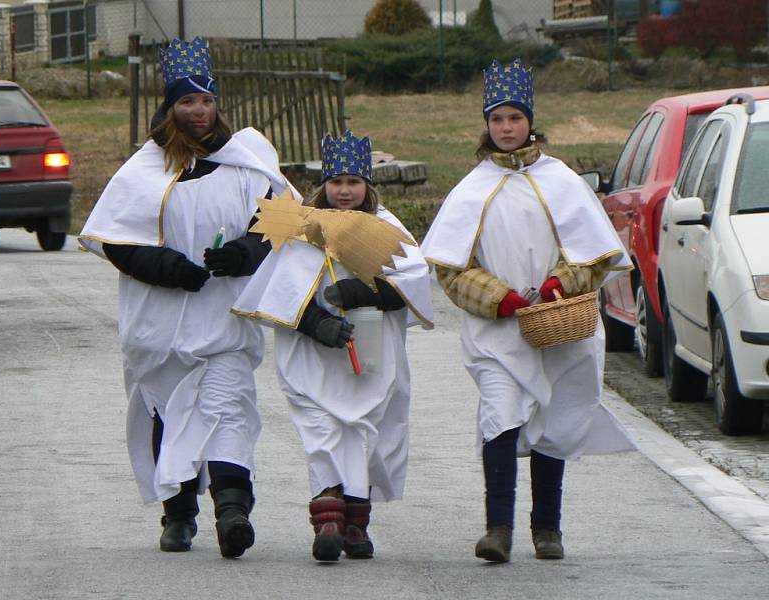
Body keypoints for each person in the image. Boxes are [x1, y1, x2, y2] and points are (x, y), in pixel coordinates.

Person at [79, 36, 294, 558]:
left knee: (227, 409)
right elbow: (114, 241)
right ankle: (177, 513)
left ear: (217, 104)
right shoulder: (145, 169)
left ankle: (233, 511)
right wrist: (169, 268)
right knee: (170, 413)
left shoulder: (247, 161)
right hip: (160, 325)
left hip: (223, 321)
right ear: (169, 107)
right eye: (186, 101)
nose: (198, 112)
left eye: (206, 100)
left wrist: (245, 252)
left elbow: (285, 216)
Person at [421, 58, 635, 563]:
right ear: (487, 124)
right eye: (497, 119)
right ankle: (498, 528)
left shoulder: (560, 180)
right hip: (498, 332)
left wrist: (563, 281)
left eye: (515, 118)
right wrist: (501, 298)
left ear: (529, 121)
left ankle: (548, 529)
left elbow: (594, 254)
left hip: (560, 326)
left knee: (553, 417)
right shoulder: (471, 189)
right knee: (500, 415)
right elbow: (453, 270)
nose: (506, 128)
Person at [232, 130, 434, 562]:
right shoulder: (302, 225)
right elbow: (277, 288)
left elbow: (412, 284)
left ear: (368, 187)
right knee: (322, 430)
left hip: (369, 352)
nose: (345, 191)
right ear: (325, 186)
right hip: (313, 354)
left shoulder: (388, 227)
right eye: (337, 182)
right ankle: (328, 519)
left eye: (354, 182)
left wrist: (365, 293)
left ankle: (355, 521)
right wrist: (314, 322)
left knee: (361, 431)